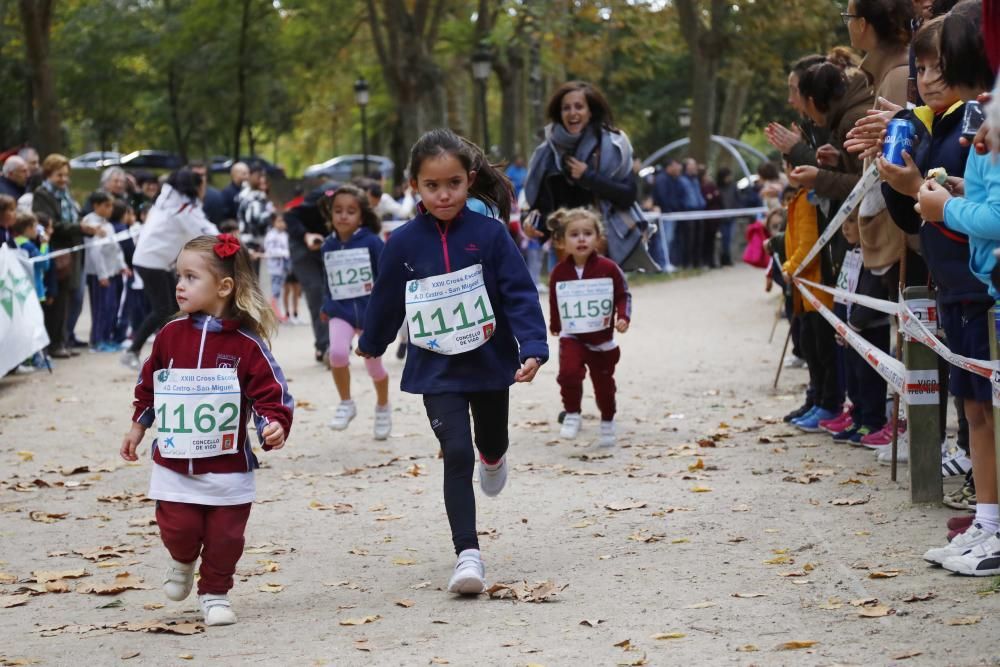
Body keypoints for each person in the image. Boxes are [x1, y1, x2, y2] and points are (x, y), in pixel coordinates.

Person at [356, 129, 548, 595]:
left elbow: (519, 292)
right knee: (455, 452)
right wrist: (373, 341)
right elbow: (387, 299)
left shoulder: (491, 235)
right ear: (414, 187)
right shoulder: (401, 242)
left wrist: (533, 347)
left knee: (490, 441)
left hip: (488, 361)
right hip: (436, 366)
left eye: (454, 184)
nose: (444, 195)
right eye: (432, 186)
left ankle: (495, 455)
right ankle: (468, 555)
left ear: (470, 181)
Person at [119, 233, 293, 626]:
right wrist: (137, 426)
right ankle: (181, 560)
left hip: (229, 465)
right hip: (176, 462)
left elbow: (270, 391)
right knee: (179, 528)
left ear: (224, 286)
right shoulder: (169, 334)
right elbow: (149, 383)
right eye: (177, 276)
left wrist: (274, 423)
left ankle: (215, 592)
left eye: (190, 277)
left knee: (226, 538)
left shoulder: (248, 343)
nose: (179, 284)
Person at [911, 3, 1000, 577]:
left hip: (980, 290)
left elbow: (994, 217)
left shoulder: (984, 115)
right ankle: (987, 522)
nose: (929, 76)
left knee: (986, 411)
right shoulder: (983, 113)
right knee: (975, 411)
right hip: (975, 283)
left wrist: (948, 205)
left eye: (939, 62)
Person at [523, 81, 656, 271]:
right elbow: (541, 206)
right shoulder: (547, 153)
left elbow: (628, 195)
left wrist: (588, 176)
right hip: (564, 251)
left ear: (590, 112)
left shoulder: (613, 145)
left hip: (604, 244)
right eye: (566, 108)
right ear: (559, 114)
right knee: (565, 298)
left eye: (579, 106)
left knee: (611, 299)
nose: (572, 112)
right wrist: (529, 223)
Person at [547, 208, 630, 448]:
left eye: (587, 233)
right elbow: (555, 300)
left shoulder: (609, 268)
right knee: (568, 374)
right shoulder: (559, 272)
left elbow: (623, 294)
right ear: (562, 242)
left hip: (602, 340)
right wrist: (555, 324)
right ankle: (572, 413)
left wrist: (623, 316)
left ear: (598, 238)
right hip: (572, 336)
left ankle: (607, 421)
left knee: (604, 385)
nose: (581, 239)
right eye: (574, 234)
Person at [122, 168, 219, 369]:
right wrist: (229, 243)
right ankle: (134, 351)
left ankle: (170, 355)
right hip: (151, 262)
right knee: (164, 310)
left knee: (175, 309)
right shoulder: (181, 208)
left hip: (158, 262)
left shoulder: (175, 203)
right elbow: (203, 231)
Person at [317, 185, 391, 439]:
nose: (343, 216)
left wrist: (386, 308)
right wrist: (326, 306)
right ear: (330, 214)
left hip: (371, 313)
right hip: (341, 311)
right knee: (337, 354)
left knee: (374, 368)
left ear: (361, 215)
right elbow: (328, 280)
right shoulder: (327, 246)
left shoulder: (371, 241)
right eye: (338, 210)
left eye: (350, 211)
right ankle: (346, 403)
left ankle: (383, 406)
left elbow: (385, 274)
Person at [781, 162, 840, 432]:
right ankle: (816, 399)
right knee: (811, 349)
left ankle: (828, 402)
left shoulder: (808, 200)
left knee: (824, 352)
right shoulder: (798, 199)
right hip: (805, 292)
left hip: (817, 289)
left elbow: (809, 244)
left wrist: (789, 268)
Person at [32, 154, 98, 359]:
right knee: (58, 300)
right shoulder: (42, 195)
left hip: (73, 252)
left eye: (66, 175)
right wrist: (79, 228)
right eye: (59, 175)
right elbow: (49, 223)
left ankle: (64, 338)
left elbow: (73, 217)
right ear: (48, 174)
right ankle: (55, 343)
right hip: (57, 253)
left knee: (71, 299)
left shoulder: (65, 194)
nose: (63, 179)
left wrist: (81, 226)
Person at [82, 191, 129, 352]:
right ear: (96, 206)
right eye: (106, 205)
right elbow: (95, 251)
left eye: (111, 206)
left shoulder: (107, 224)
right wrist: (102, 274)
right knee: (101, 307)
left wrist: (122, 265)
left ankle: (107, 337)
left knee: (112, 307)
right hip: (100, 274)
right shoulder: (90, 223)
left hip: (113, 271)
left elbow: (116, 248)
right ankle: (97, 341)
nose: (110, 209)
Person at [652, 159, 685, 272]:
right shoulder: (662, 179)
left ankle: (666, 263)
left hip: (670, 214)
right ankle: (662, 264)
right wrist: (670, 208)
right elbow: (663, 197)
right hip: (666, 214)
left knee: (667, 240)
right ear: (670, 166)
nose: (678, 169)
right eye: (676, 166)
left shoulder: (671, 179)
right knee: (664, 240)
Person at [264, 215, 291, 321]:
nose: (282, 224)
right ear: (274, 223)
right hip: (275, 266)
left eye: (283, 221)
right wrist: (285, 253)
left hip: (284, 266)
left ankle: (277, 312)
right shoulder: (271, 236)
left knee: (280, 290)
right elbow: (270, 251)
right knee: (276, 290)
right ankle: (274, 313)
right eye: (279, 221)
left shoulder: (285, 234)